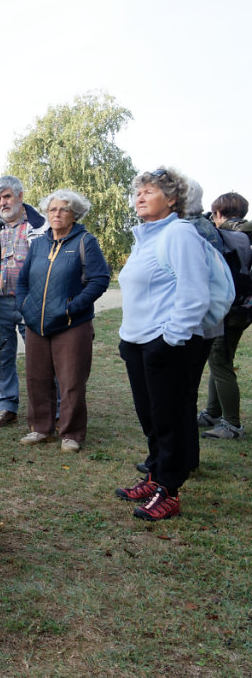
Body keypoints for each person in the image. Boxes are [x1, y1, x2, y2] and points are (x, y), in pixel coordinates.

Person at [115, 167, 213, 521]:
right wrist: (129, 339)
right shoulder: (145, 237)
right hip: (137, 343)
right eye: (138, 191)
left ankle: (169, 491)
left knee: (169, 418)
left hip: (164, 344)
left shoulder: (179, 234)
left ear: (172, 199)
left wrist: (169, 339)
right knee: (150, 417)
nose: (139, 197)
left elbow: (194, 293)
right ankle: (155, 475)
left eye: (149, 191)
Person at [16, 189, 110, 452]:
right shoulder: (38, 244)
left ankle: (71, 434)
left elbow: (100, 279)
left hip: (72, 325)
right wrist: (23, 306)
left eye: (64, 210)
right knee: (36, 379)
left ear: (74, 214)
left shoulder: (85, 242)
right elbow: (23, 280)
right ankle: (40, 429)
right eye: (53, 209)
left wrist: (72, 308)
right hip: (36, 324)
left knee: (71, 381)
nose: (57, 214)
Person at [0, 175, 47, 427]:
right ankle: (8, 406)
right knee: (2, 355)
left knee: (39, 356)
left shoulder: (41, 225)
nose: (2, 202)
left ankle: (48, 410)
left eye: (7, 196)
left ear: (20, 196)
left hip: (30, 301)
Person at [199, 191, 252, 439]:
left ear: (218, 213)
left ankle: (232, 424)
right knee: (220, 361)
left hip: (225, 309)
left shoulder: (223, 236)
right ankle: (212, 412)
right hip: (244, 308)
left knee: (220, 363)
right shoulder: (247, 235)